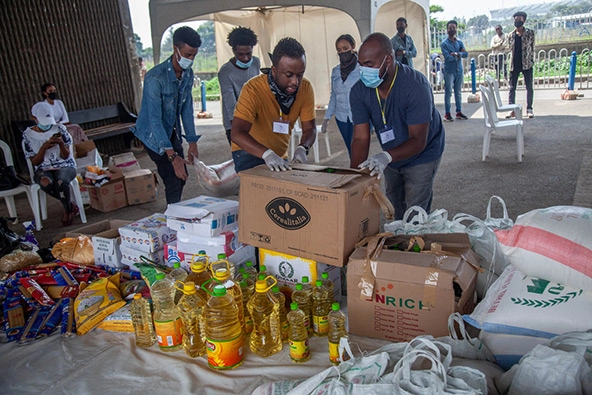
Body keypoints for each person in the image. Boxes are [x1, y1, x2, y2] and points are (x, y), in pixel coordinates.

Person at [349, 33, 445, 220]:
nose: (363, 70)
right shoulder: (359, 91)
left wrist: (386, 156)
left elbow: (418, 140)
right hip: (392, 150)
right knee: (393, 205)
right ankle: (399, 242)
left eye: (369, 64)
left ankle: (414, 241)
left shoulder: (416, 85)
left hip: (424, 151)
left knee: (415, 210)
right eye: (360, 64)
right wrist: (354, 178)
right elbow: (360, 137)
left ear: (388, 60)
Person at [132, 26, 202, 204]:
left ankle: (175, 213)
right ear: (175, 49)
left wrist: (192, 142)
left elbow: (186, 109)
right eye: (187, 55)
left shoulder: (188, 74)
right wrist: (172, 157)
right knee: (173, 180)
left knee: (182, 177)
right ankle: (173, 220)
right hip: (153, 135)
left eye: (194, 55)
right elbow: (154, 120)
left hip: (171, 130)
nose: (191, 59)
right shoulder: (155, 78)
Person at [230, 37, 316, 173]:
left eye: (300, 75)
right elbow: (237, 133)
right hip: (249, 152)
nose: (295, 82)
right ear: (274, 70)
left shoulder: (305, 88)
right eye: (289, 75)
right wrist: (267, 154)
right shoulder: (253, 89)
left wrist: (302, 148)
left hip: (280, 155)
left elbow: (310, 128)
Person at [23, 102, 79, 227]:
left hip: (65, 165)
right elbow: (35, 162)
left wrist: (60, 144)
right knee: (45, 182)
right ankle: (69, 205)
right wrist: (44, 148)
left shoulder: (59, 128)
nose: (47, 124)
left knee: (61, 181)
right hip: (43, 168)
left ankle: (66, 211)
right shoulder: (28, 135)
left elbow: (66, 156)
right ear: (34, 118)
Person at [218, 26, 261, 145]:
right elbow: (230, 105)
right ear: (233, 51)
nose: (245, 58)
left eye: (249, 53)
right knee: (243, 159)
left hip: (255, 120)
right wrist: (239, 130)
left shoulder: (256, 63)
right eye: (240, 54)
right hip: (234, 122)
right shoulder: (226, 72)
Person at [321, 34, 360, 156]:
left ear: (352, 47)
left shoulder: (362, 69)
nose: (342, 52)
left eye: (345, 48)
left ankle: (360, 172)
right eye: (339, 50)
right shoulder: (336, 71)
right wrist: (327, 118)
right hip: (342, 117)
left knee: (358, 149)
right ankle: (354, 171)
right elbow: (333, 95)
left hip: (358, 116)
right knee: (350, 149)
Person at [506, 11, 535, 119]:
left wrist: (531, 60)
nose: (517, 22)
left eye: (520, 20)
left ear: (524, 20)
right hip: (514, 64)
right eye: (516, 20)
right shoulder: (511, 35)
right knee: (512, 88)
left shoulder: (530, 33)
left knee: (529, 87)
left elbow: (532, 48)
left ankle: (529, 109)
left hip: (527, 63)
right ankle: (511, 109)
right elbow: (510, 49)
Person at [440, 20, 468, 122]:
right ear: (447, 30)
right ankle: (447, 114)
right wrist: (459, 54)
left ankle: (458, 112)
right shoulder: (444, 44)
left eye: (454, 28)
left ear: (456, 29)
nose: (452, 30)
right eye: (450, 28)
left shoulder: (459, 42)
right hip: (449, 71)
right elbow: (447, 57)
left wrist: (456, 54)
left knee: (458, 92)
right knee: (448, 93)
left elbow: (466, 54)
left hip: (459, 70)